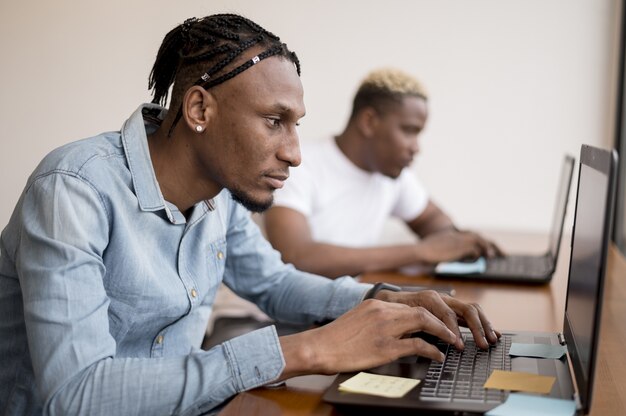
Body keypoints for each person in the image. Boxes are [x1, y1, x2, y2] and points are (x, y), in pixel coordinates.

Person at [0, 14, 500, 415]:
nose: (295, 153)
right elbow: (78, 394)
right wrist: (305, 351)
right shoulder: (72, 189)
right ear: (199, 109)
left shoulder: (218, 194)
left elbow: (274, 284)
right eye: (273, 121)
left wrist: (384, 299)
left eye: (296, 125)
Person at [264, 68, 502, 278]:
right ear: (369, 122)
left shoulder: (390, 172)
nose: (416, 147)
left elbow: (430, 219)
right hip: (274, 321)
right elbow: (297, 256)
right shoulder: (299, 165)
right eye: (409, 131)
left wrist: (456, 242)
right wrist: (420, 252)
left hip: (340, 310)